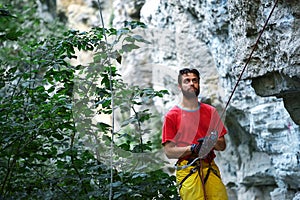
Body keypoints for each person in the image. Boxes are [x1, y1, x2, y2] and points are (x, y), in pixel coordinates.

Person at [162, 68, 228, 200]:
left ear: (199, 84)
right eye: (187, 81)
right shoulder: (172, 116)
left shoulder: (210, 112)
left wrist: (210, 142)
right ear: (180, 86)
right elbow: (169, 151)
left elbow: (222, 146)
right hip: (188, 168)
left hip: (209, 166)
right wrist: (192, 148)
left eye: (195, 80)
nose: (192, 84)